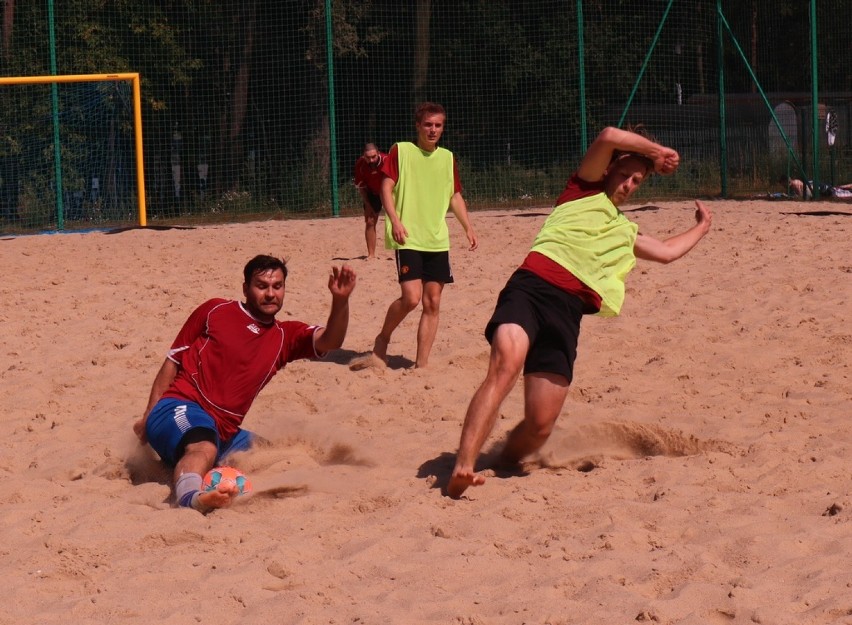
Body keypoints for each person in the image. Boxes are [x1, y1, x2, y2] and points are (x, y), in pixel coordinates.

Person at [446, 126, 713, 498]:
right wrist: (655, 152)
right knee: (506, 365)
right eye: (624, 173)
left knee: (540, 425)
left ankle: (503, 458)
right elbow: (607, 136)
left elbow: (667, 252)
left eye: (637, 180)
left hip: (567, 313)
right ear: (608, 169)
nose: (629, 183)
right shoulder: (582, 188)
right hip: (531, 289)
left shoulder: (625, 229)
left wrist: (703, 227)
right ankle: (464, 465)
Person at [133, 255, 357, 513]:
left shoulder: (285, 337)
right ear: (245, 289)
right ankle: (191, 499)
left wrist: (340, 301)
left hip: (224, 432)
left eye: (277, 286)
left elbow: (331, 340)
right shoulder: (215, 310)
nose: (271, 293)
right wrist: (149, 415)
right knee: (203, 445)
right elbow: (172, 361)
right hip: (178, 407)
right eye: (262, 286)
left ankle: (200, 473)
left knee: (279, 455)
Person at [368, 102, 477, 368]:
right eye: (428, 124)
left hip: (437, 239)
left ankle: (422, 366)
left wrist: (468, 226)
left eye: (438, 125)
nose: (433, 130)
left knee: (433, 302)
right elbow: (386, 186)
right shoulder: (401, 151)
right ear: (418, 126)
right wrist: (394, 220)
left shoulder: (448, 158)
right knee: (411, 298)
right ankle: (383, 338)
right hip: (408, 237)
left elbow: (455, 195)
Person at [354, 143, 389, 259]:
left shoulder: (386, 160)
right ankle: (371, 255)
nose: (371, 160)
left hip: (390, 191)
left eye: (373, 156)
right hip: (373, 192)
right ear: (364, 156)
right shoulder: (360, 165)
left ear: (378, 153)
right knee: (370, 221)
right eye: (368, 157)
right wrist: (368, 205)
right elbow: (361, 187)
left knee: (401, 219)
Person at [787, 177, 852, 199]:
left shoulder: (795, 183)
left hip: (829, 191)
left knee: (837, 193)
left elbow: (800, 195)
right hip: (828, 189)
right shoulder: (797, 182)